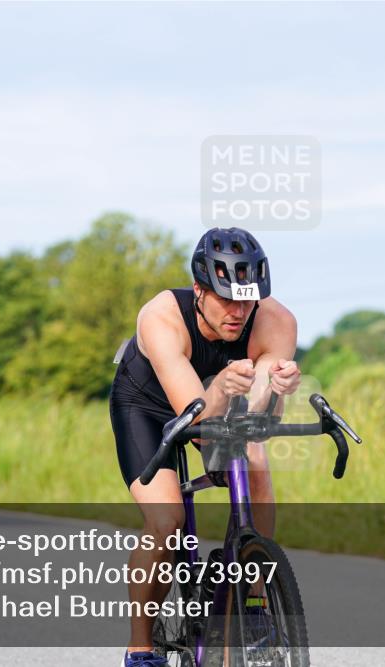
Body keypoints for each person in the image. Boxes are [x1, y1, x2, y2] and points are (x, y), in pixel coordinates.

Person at [110, 227, 301, 666]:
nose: (238, 312)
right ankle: (141, 648)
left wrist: (277, 390)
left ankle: (254, 602)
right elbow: (193, 417)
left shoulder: (277, 322)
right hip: (149, 405)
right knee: (167, 520)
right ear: (199, 289)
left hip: (215, 396)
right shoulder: (161, 316)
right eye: (226, 298)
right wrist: (221, 394)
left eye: (247, 300)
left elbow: (259, 420)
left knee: (254, 458)